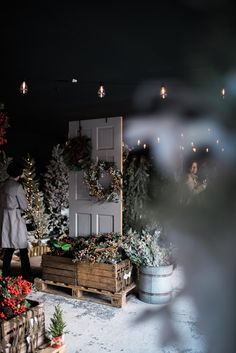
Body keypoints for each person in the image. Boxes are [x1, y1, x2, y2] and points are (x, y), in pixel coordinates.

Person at [0, 161, 32, 279]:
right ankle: (27, 275)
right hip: (15, 218)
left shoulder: (2, 184)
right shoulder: (17, 187)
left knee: (8, 247)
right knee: (23, 248)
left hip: (4, 217)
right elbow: (24, 205)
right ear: (19, 172)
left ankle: (6, 275)